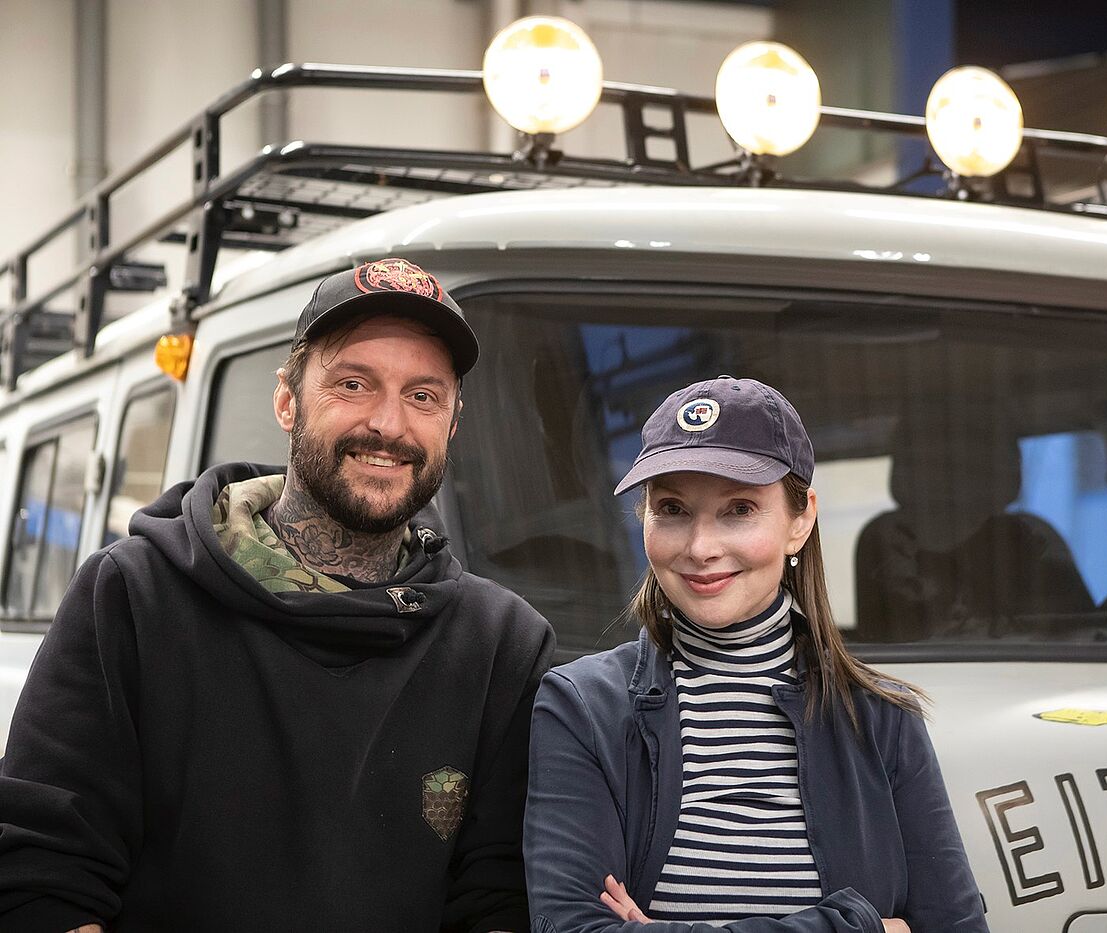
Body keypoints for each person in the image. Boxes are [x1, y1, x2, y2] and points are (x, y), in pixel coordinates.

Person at [0, 258, 554, 932]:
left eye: (423, 395)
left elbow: (501, 899)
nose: (389, 423)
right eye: (354, 382)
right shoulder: (132, 597)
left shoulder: (505, 648)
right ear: (287, 399)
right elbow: (44, 874)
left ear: (452, 423)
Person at [524, 376, 988, 932]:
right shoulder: (582, 709)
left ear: (801, 520)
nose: (700, 548)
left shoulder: (882, 719)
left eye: (738, 509)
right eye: (671, 508)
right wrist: (855, 927)